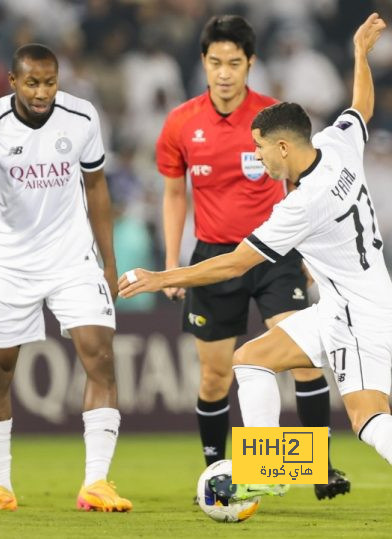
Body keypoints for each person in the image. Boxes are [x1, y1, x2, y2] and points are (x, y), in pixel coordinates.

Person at [120, 13, 392, 478]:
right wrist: (359, 54)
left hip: (358, 316)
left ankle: (303, 465)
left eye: (262, 149)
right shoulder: (337, 143)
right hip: (342, 305)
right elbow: (362, 106)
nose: (259, 159)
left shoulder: (301, 204)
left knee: (367, 418)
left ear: (284, 148)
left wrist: (159, 277)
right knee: (249, 360)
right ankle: (264, 474)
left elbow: (235, 264)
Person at [155, 14, 348, 499]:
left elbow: (303, 183)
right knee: (216, 375)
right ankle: (219, 473)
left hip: (273, 253)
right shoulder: (181, 122)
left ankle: (317, 467)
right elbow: (175, 195)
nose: (224, 73)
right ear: (203, 62)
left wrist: (308, 249)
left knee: (305, 359)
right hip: (214, 256)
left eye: (234, 63)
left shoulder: (273, 118)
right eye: (216, 62)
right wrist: (172, 262)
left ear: (250, 63)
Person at [0, 43, 131, 513]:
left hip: (73, 259)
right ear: (12, 81)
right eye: (32, 82)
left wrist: (108, 262)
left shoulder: (83, 117)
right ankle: (0, 487)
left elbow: (97, 188)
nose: (42, 91)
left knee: (101, 358)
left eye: (50, 82)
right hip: (11, 262)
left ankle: (96, 482)